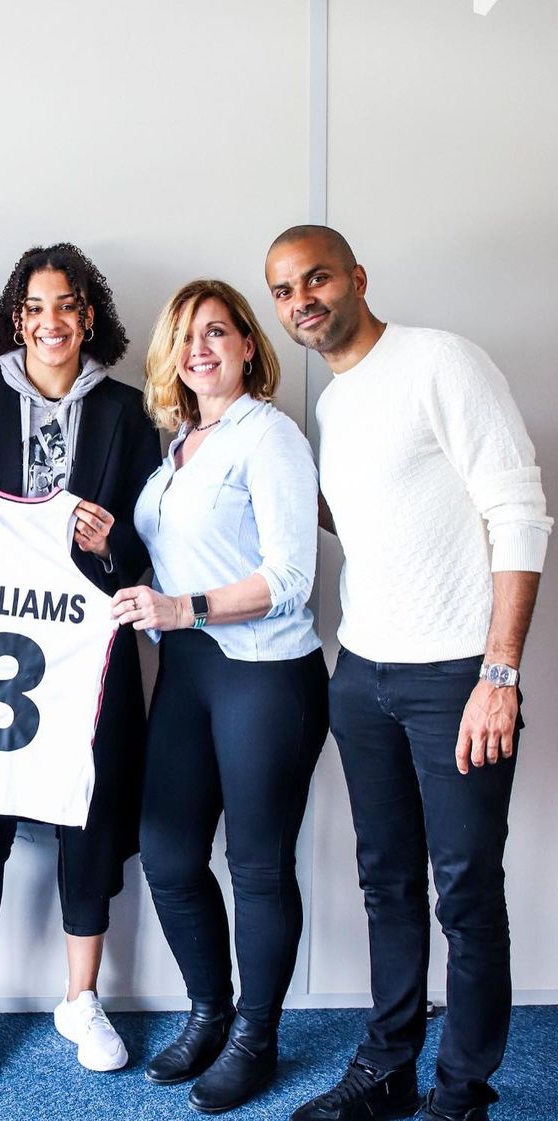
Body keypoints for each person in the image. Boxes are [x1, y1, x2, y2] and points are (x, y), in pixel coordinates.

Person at [265, 225, 551, 1121]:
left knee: (465, 891)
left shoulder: (440, 361)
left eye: (316, 278)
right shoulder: (335, 403)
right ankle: (388, 1067)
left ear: (356, 277)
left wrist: (499, 673)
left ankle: (460, 1093)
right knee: (385, 882)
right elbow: (367, 521)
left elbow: (520, 511)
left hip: (458, 675)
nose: (302, 300)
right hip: (362, 672)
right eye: (283, 290)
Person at [0, 243, 161, 1080]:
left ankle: (81, 997)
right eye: (34, 307)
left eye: (66, 304)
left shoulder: (132, 413)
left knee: (88, 812)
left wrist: (112, 542)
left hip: (89, 645)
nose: (50, 321)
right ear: (15, 317)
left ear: (89, 316)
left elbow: (150, 546)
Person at [113, 278, 329, 1114]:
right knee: (168, 855)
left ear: (247, 344)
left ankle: (256, 1037)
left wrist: (183, 608)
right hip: (190, 674)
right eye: (184, 336)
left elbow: (292, 575)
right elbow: (176, 550)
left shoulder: (269, 436)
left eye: (215, 331)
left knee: (257, 866)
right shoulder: (180, 445)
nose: (198, 348)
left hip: (265, 673)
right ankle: (211, 1011)